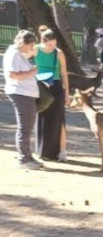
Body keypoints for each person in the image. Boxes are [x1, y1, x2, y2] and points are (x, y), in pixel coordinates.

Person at [3, 29, 42, 169]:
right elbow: (13, 74)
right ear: (24, 43)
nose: (32, 48)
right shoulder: (13, 54)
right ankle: (24, 159)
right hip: (21, 93)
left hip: (26, 93)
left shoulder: (18, 54)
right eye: (31, 45)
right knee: (25, 127)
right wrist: (32, 72)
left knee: (27, 126)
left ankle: (27, 156)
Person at [35, 26, 70, 162]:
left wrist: (67, 94)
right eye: (49, 44)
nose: (52, 47)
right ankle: (41, 150)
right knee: (41, 118)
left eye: (54, 44)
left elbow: (64, 74)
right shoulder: (36, 49)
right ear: (43, 41)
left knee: (59, 119)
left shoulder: (59, 53)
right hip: (41, 87)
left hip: (56, 86)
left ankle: (62, 151)